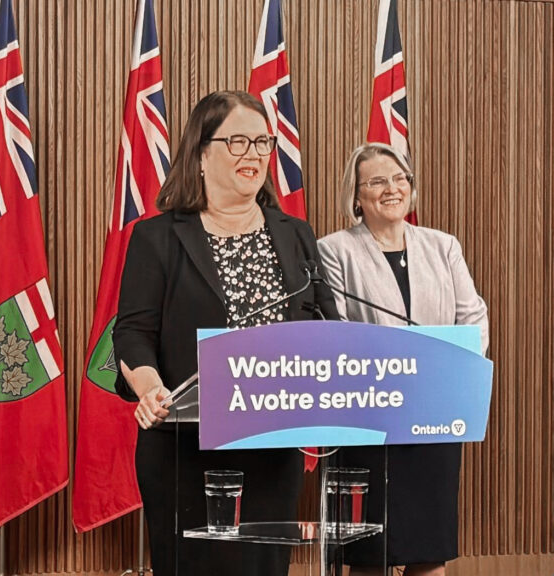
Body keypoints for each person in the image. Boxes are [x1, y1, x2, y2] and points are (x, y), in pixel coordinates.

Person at [113, 90, 339, 576]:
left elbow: (325, 323)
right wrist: (151, 391)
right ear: (200, 154)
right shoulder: (157, 237)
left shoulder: (296, 232)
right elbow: (132, 333)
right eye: (238, 142)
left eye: (263, 143)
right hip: (184, 449)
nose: (254, 154)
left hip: (272, 446)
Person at [318, 143, 489, 576]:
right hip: (369, 417)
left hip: (435, 412)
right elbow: (337, 327)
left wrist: (452, 371)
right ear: (356, 197)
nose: (391, 189)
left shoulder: (443, 245)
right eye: (376, 181)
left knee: (429, 547)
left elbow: (472, 316)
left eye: (399, 179)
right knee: (369, 551)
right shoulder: (334, 249)